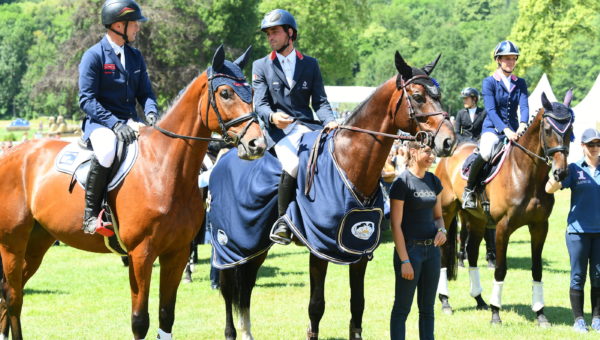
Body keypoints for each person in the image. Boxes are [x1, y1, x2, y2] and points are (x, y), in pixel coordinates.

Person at [252, 9, 338, 245]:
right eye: (268, 33)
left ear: (290, 33)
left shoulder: (310, 64)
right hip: (278, 132)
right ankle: (283, 221)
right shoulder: (261, 66)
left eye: (275, 32)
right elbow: (259, 104)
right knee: (294, 163)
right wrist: (272, 117)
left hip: (307, 126)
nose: (270, 37)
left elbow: (319, 101)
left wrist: (329, 120)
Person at [78, 0, 158, 235]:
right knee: (107, 149)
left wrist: (151, 112)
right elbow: (87, 100)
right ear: (118, 26)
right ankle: (91, 215)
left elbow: (146, 93)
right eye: (134, 23)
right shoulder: (93, 56)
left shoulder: (135, 56)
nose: (138, 28)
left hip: (131, 122)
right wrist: (114, 124)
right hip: (100, 124)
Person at [389, 141, 447, 340]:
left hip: (432, 252)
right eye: (428, 152)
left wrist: (443, 231)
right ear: (413, 152)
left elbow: (438, 216)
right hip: (410, 251)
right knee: (402, 309)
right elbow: (395, 225)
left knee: (427, 309)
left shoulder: (433, 181)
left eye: (433, 153)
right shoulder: (402, 183)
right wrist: (405, 260)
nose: (432, 157)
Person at [462, 40, 529, 209]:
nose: (511, 62)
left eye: (513, 59)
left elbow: (525, 106)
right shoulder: (489, 82)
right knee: (485, 153)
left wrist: (522, 124)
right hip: (493, 129)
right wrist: (505, 130)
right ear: (498, 60)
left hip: (515, 129)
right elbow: (491, 110)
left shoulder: (520, 83)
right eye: (507, 59)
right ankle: (469, 190)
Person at [546, 128, 600, 333]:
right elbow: (549, 189)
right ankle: (578, 320)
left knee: (598, 276)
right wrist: (555, 176)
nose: (595, 148)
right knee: (578, 276)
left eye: (598, 144)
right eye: (591, 144)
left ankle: (596, 318)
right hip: (577, 232)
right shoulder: (575, 169)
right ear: (583, 146)